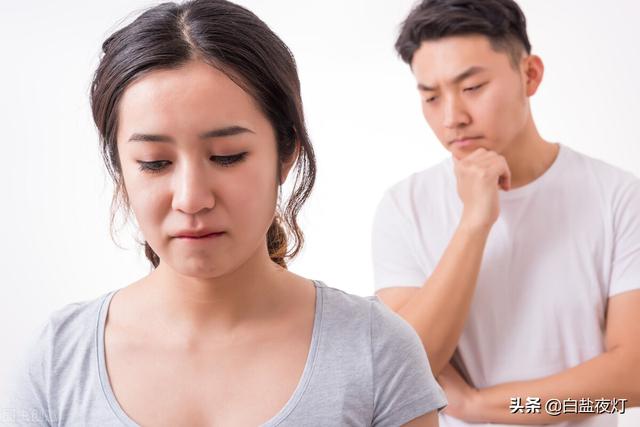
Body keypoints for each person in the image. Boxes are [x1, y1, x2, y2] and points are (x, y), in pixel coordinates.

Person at [4, 1, 447, 425]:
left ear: (286, 152)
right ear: (121, 169)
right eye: (155, 163)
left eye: (227, 156)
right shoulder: (58, 358)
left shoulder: (375, 349)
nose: (191, 198)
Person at [371, 0, 640, 426]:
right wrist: (475, 222)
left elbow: (633, 382)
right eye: (431, 96)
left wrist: (480, 407)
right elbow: (403, 371)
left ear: (529, 75)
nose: (452, 117)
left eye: (472, 87)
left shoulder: (619, 196)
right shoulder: (405, 207)